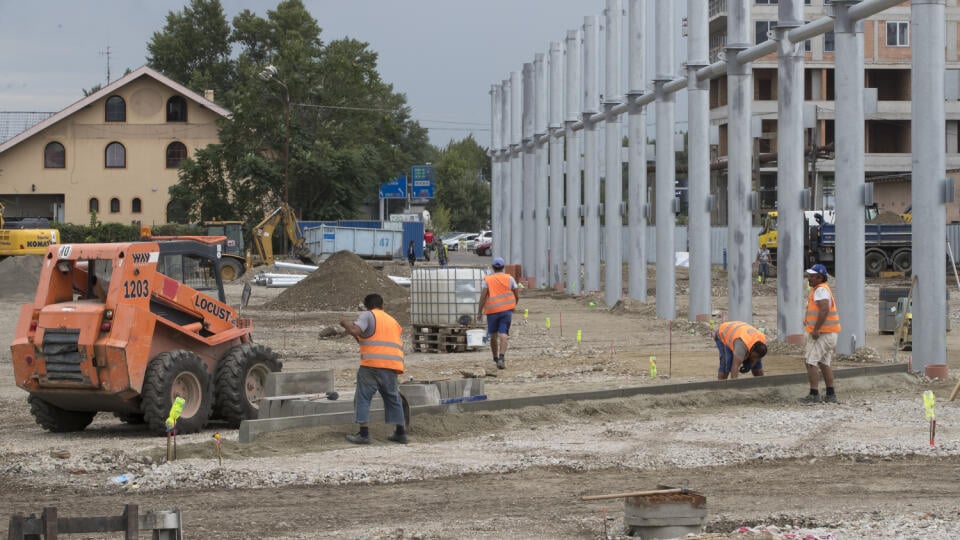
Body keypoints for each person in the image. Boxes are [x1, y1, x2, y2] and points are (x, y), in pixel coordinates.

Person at [339, 293, 408, 444]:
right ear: (382, 305)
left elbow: (356, 331)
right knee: (393, 398)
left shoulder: (368, 315)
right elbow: (369, 338)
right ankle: (400, 433)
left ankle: (363, 434)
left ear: (366, 306)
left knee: (363, 397)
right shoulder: (392, 321)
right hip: (392, 366)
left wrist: (345, 323)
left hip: (371, 365)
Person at [800, 263, 841, 404]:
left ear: (820, 277)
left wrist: (816, 329)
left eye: (812, 276)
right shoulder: (819, 289)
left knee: (810, 362)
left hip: (823, 334)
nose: (809, 278)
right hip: (829, 334)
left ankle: (814, 394)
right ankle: (830, 394)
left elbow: (824, 310)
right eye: (809, 276)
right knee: (824, 363)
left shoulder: (821, 291)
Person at [476, 257, 519, 369]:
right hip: (506, 311)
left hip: (492, 312)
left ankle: (495, 358)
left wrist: (479, 312)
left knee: (493, 335)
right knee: (503, 333)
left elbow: (483, 297)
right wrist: (514, 305)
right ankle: (501, 357)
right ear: (503, 267)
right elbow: (516, 293)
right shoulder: (509, 278)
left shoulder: (487, 279)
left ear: (493, 267)